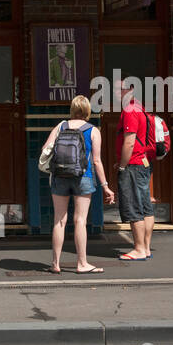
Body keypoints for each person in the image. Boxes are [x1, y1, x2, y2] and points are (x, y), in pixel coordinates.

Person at [40, 94, 115, 274]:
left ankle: (55, 263)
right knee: (80, 220)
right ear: (88, 110)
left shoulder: (61, 126)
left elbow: (45, 149)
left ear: (72, 109)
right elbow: (96, 161)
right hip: (84, 177)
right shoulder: (93, 130)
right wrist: (105, 186)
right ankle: (82, 263)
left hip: (60, 176)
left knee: (59, 220)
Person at [113, 75, 155, 262]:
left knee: (134, 207)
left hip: (134, 165)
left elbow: (129, 142)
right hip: (143, 163)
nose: (114, 93)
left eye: (117, 90)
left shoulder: (129, 110)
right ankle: (145, 247)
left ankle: (138, 249)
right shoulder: (139, 107)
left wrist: (122, 165)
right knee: (146, 207)